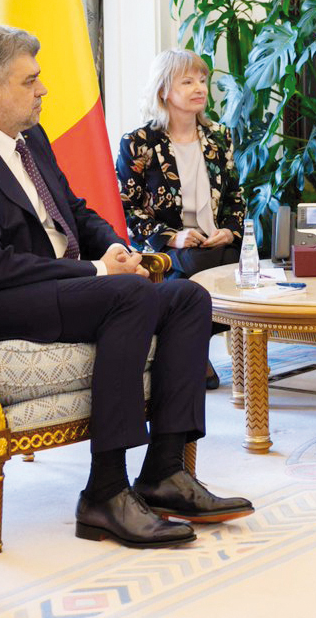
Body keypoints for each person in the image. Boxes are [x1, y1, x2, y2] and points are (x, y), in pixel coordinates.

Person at [0, 25, 253, 549]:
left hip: (59, 285)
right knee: (131, 295)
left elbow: (74, 211)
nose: (43, 89)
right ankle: (105, 491)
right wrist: (96, 272)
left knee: (188, 297)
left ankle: (164, 473)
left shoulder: (30, 139)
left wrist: (121, 250)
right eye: (31, 80)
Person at [116, 49, 245, 388]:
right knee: (189, 269)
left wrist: (230, 232)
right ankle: (192, 351)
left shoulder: (220, 138)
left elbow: (234, 197)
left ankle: (225, 355)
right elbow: (128, 209)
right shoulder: (138, 143)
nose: (199, 88)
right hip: (169, 250)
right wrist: (173, 236)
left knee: (240, 269)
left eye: (202, 80)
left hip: (216, 247)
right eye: (187, 81)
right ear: (164, 91)